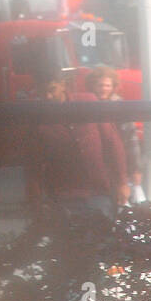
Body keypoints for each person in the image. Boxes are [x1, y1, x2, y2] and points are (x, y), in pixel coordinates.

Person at [28, 76, 128, 220]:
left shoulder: (88, 101)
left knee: (103, 237)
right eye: (42, 92)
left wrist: (122, 183)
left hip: (98, 191)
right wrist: (35, 200)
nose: (48, 96)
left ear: (63, 84)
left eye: (52, 90)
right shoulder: (37, 118)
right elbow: (33, 162)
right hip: (63, 195)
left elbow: (113, 143)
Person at [86, 65, 145, 202]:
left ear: (113, 87)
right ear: (92, 86)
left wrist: (135, 169)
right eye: (100, 85)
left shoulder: (121, 108)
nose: (104, 89)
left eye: (107, 85)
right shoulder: (85, 106)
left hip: (119, 163)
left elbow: (132, 141)